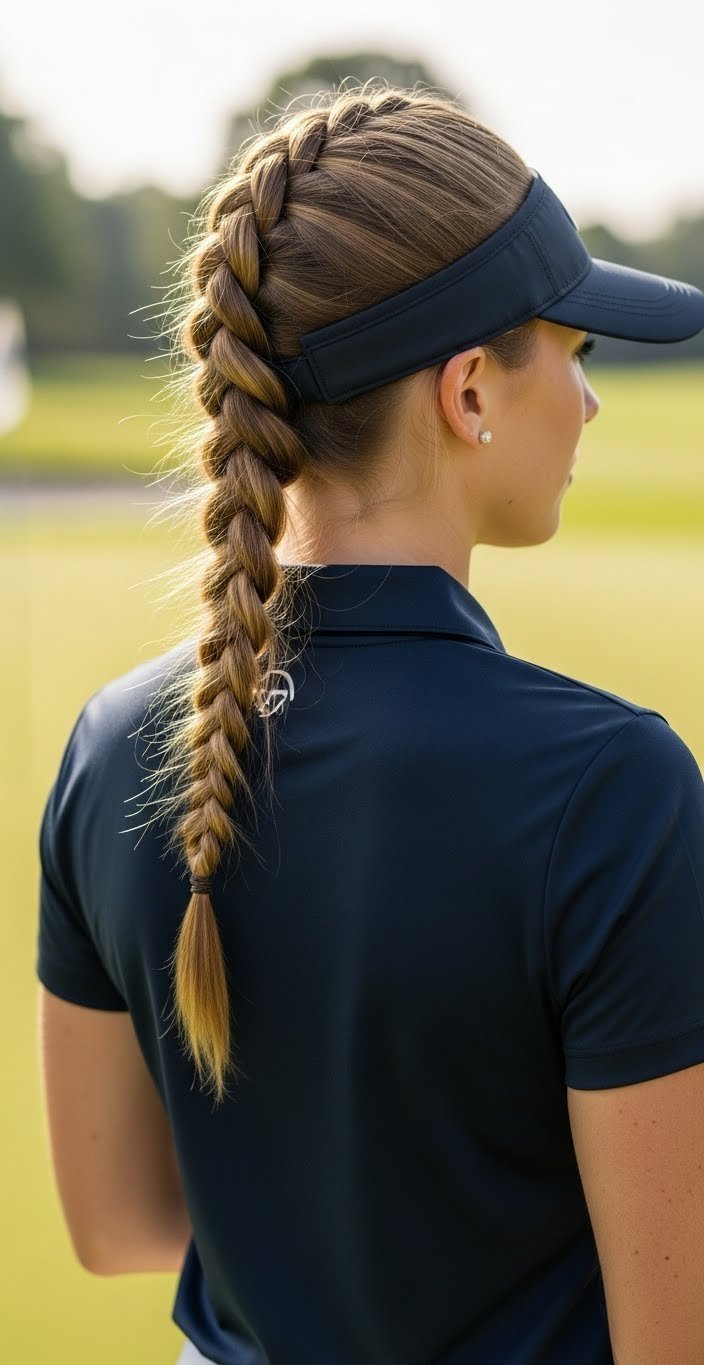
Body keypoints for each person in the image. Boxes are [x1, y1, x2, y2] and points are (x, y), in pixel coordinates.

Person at [35, 83, 704, 1365]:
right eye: (576, 349)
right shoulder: (609, 786)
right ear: (468, 394)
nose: (592, 400)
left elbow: (117, 1223)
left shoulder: (113, 745)